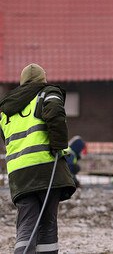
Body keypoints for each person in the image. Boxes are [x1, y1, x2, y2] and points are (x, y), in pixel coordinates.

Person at [0, 63, 77, 254]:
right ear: (43, 79)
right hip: (46, 167)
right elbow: (55, 113)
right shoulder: (47, 93)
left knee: (26, 223)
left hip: (19, 174)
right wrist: (58, 145)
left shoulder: (5, 109)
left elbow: (6, 138)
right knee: (47, 223)